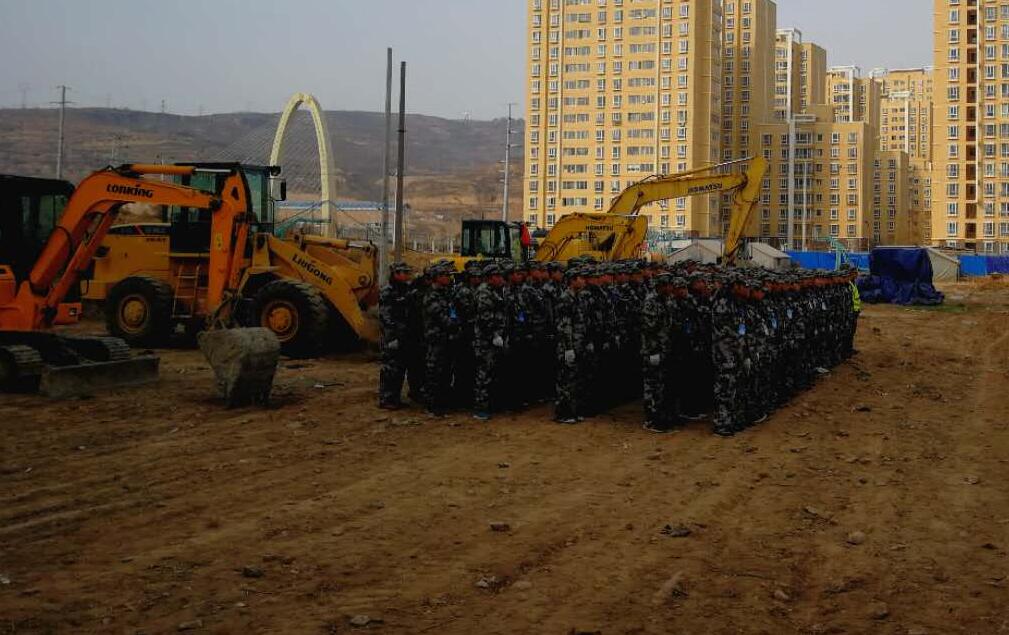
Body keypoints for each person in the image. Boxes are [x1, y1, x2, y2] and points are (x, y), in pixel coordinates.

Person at [473, 263, 510, 420]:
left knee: (494, 373)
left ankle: (492, 405)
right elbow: (485, 317)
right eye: (497, 276)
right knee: (484, 374)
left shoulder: (496, 290)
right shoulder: (484, 292)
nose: (501, 279)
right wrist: (495, 335)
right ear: (490, 278)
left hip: (496, 339)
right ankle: (481, 408)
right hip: (486, 341)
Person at [554, 267, 589, 424]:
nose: (583, 280)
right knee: (566, 380)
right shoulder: (565, 298)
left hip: (578, 343)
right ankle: (564, 413)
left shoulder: (578, 296)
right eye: (580, 278)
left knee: (576, 379)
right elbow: (565, 325)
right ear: (573, 280)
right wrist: (568, 348)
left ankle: (574, 411)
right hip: (568, 346)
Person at [641, 273, 675, 433]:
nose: (671, 288)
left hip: (664, 348)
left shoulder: (666, 300)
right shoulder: (651, 301)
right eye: (669, 285)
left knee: (662, 384)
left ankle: (661, 416)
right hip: (652, 350)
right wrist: (653, 352)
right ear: (661, 286)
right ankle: (651, 419)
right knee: (652, 384)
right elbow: (649, 329)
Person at [378, 263, 414, 409]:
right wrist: (393, 336)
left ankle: (395, 398)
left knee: (400, 369)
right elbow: (386, 316)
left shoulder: (405, 289)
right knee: (390, 369)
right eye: (404, 273)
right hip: (392, 336)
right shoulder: (388, 291)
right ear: (396, 274)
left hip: (403, 334)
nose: (407, 275)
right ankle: (387, 399)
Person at [421, 264, 456, 415]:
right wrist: (454, 324)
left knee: (446, 372)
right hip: (435, 339)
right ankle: (433, 405)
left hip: (446, 338)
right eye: (445, 275)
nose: (448, 278)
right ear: (437, 277)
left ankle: (443, 402)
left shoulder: (446, 294)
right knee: (434, 372)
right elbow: (441, 318)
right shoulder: (431, 296)